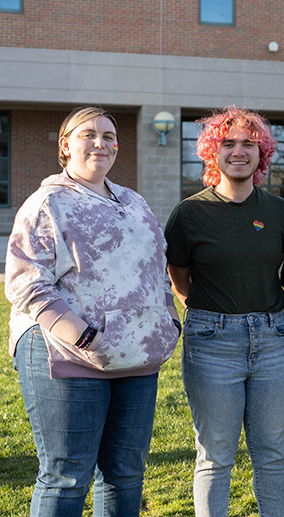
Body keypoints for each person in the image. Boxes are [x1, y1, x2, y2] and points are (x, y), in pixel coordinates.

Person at [5, 106, 181, 517]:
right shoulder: (47, 202)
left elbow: (157, 267)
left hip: (137, 359)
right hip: (65, 356)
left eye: (107, 135)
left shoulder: (134, 201)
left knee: (126, 474)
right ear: (65, 145)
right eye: (88, 134)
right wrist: (83, 336)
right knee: (67, 475)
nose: (100, 142)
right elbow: (26, 281)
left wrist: (168, 323)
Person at [164, 107, 284, 517]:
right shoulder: (190, 213)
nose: (239, 151)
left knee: (273, 453)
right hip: (211, 344)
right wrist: (216, 320)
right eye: (228, 143)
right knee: (216, 455)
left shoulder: (277, 211)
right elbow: (180, 281)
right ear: (211, 152)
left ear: (262, 155)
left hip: (273, 342)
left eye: (249, 144)